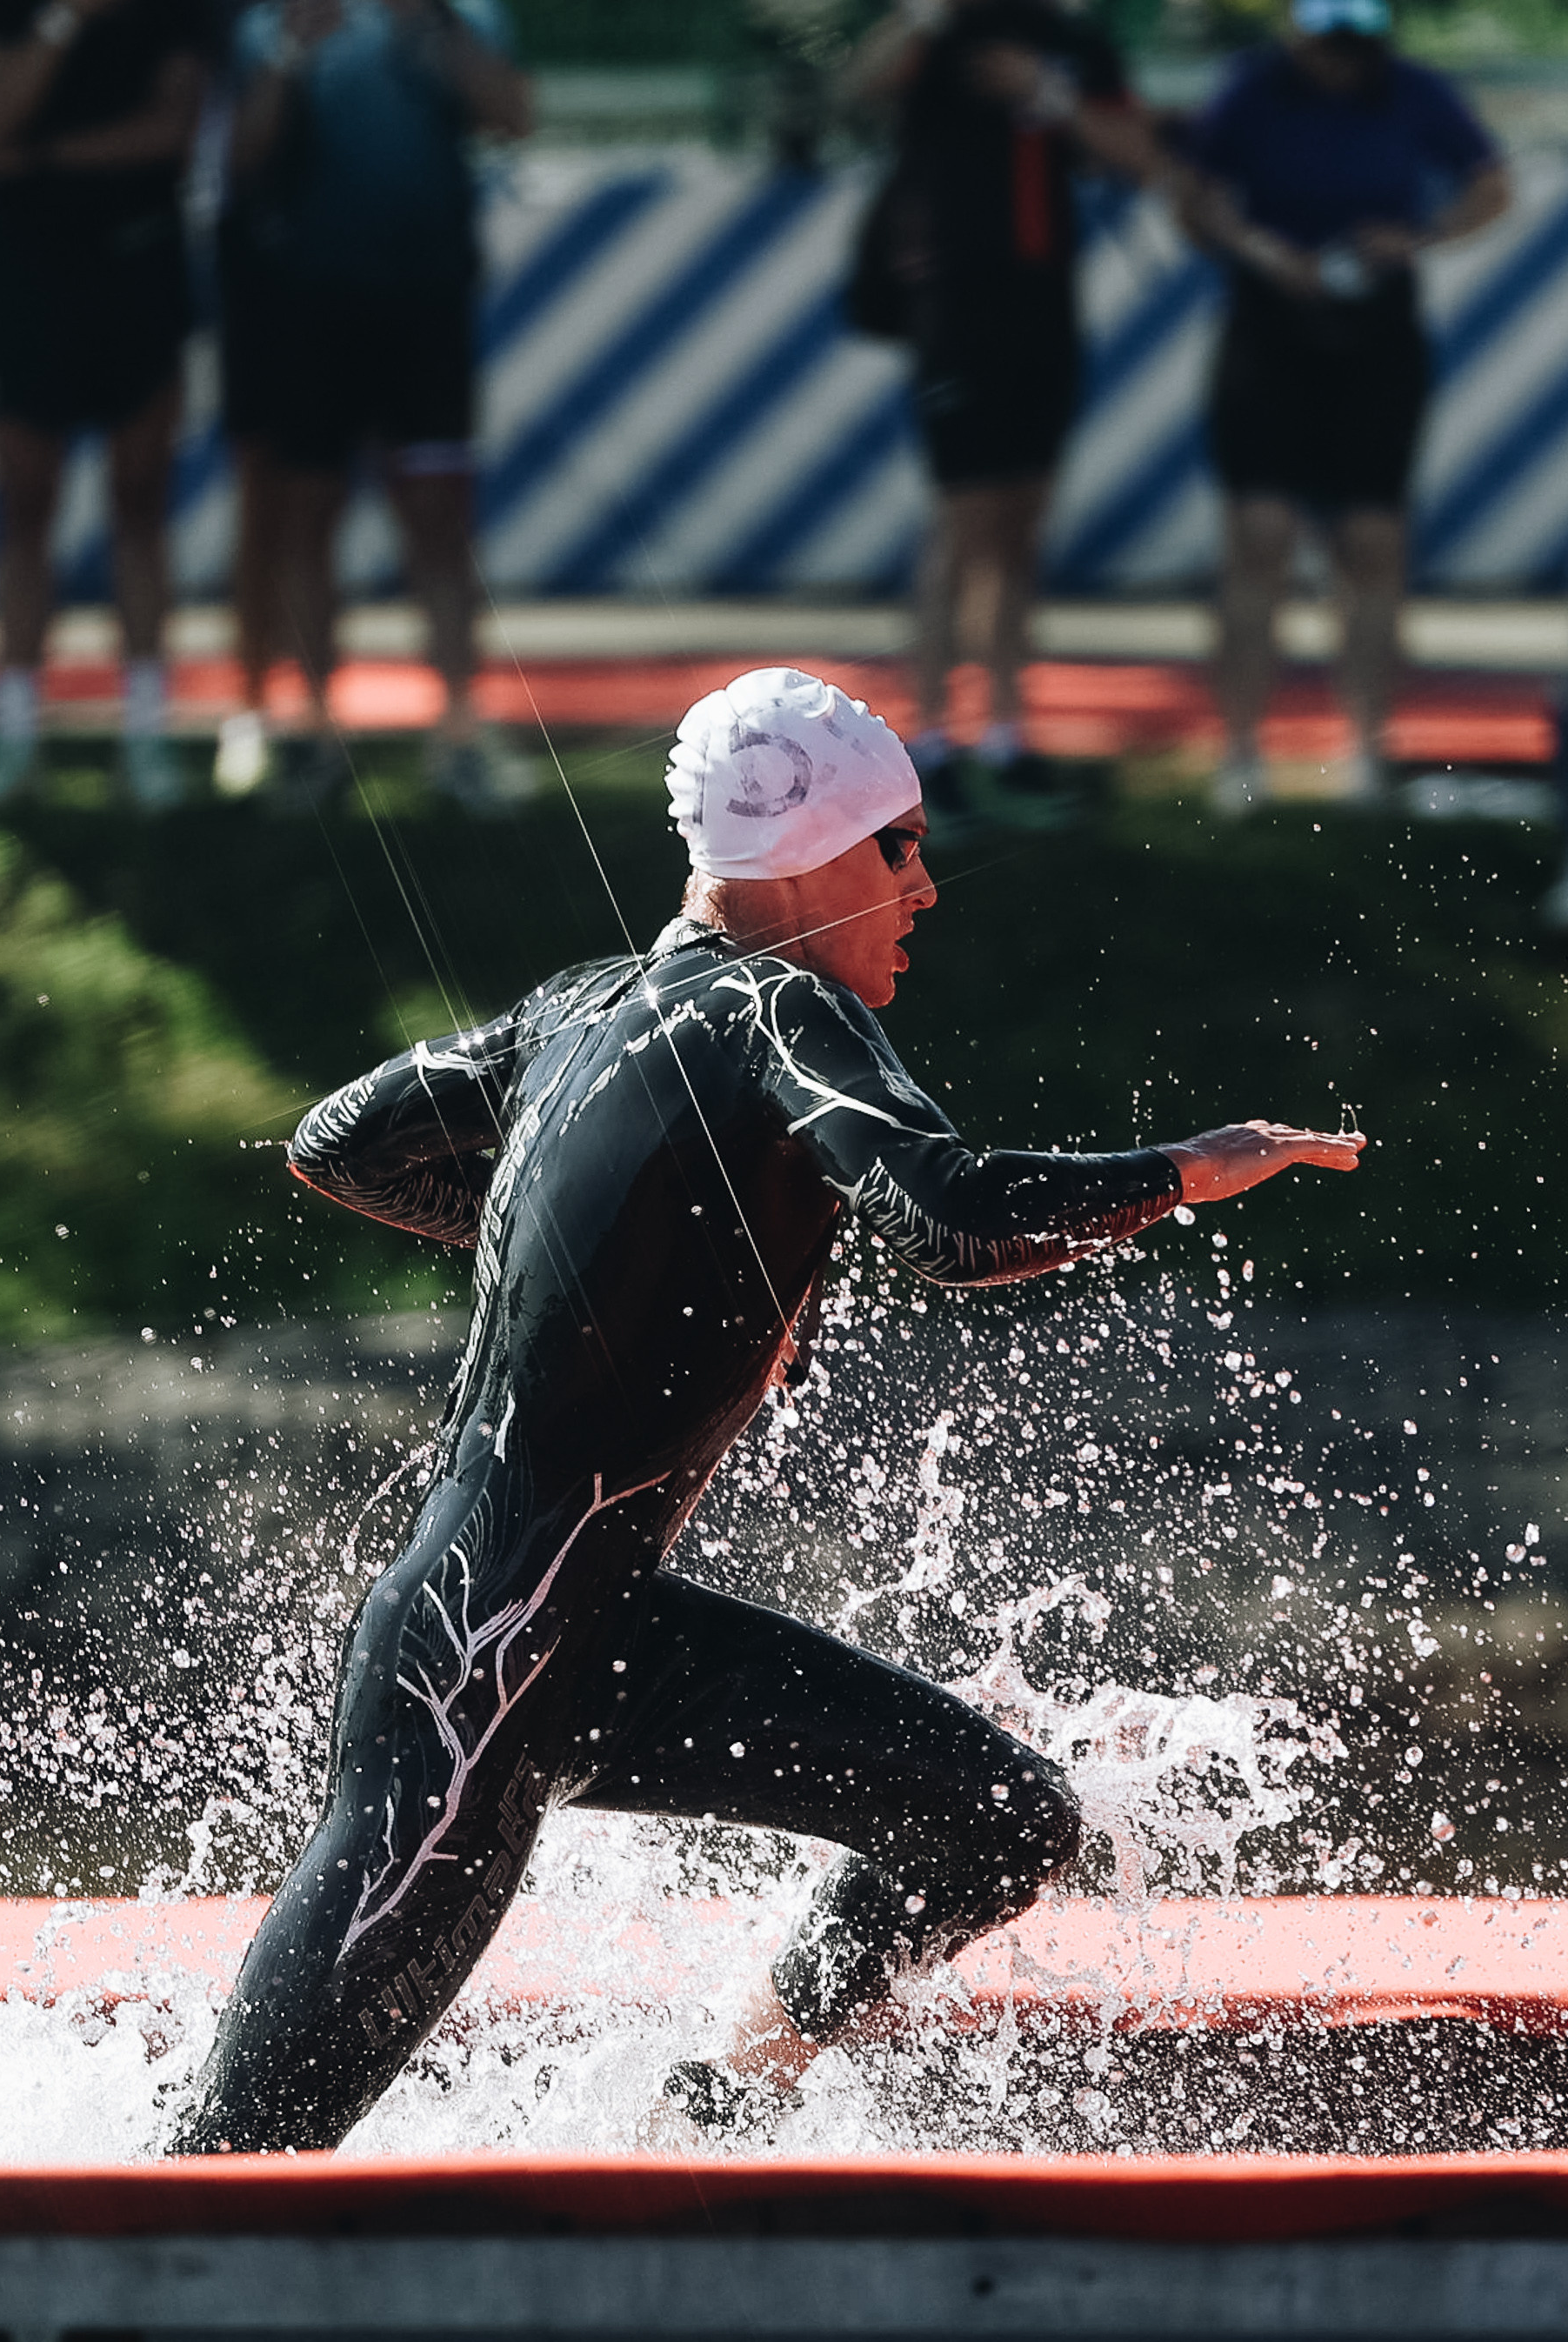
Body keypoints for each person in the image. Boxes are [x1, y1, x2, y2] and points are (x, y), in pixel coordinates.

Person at [166, 668, 1364, 2157]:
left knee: (999, 1820)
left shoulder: (579, 1007)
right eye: (897, 847)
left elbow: (342, 1140)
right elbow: (953, 1219)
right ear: (803, 856)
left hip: (602, 1638)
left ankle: (721, 2099)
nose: (924, 887)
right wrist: (1190, 1167)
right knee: (240, 2157)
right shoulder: (778, 1005)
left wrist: (617, 1256)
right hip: (480, 1665)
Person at [1179, 0, 1509, 817]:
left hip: (1376, 333)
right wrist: (1262, 249)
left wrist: (1419, 238)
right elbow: (1198, 195)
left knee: (1372, 542)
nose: (1337, 61)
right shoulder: (1253, 89)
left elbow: (1491, 185)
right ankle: (1240, 750)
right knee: (1261, 537)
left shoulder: (1411, 90)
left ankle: (1366, 750)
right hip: (1270, 325)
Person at [844, 0, 1158, 832]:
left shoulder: (1071, 40)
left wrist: (1048, 95)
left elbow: (1137, 154)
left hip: (1042, 310)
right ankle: (930, 741)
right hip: (956, 311)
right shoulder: (942, 34)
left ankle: (1007, 734)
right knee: (963, 524)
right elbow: (857, 90)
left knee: (1021, 527)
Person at [215, 0, 533, 812]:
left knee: (439, 519)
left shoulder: (461, 16)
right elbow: (242, 158)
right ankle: (316, 733)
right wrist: (291, 53)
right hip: (309, 305)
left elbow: (512, 117)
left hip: (425, 304)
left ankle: (458, 733)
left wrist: (433, 28)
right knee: (307, 516)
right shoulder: (275, 22)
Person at [0, 0, 212, 815]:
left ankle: (145, 734)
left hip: (138, 273)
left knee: (140, 504)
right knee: (25, 508)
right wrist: (64, 20)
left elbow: (172, 130)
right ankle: (14, 732)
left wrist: (44, 153)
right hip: (31, 282)